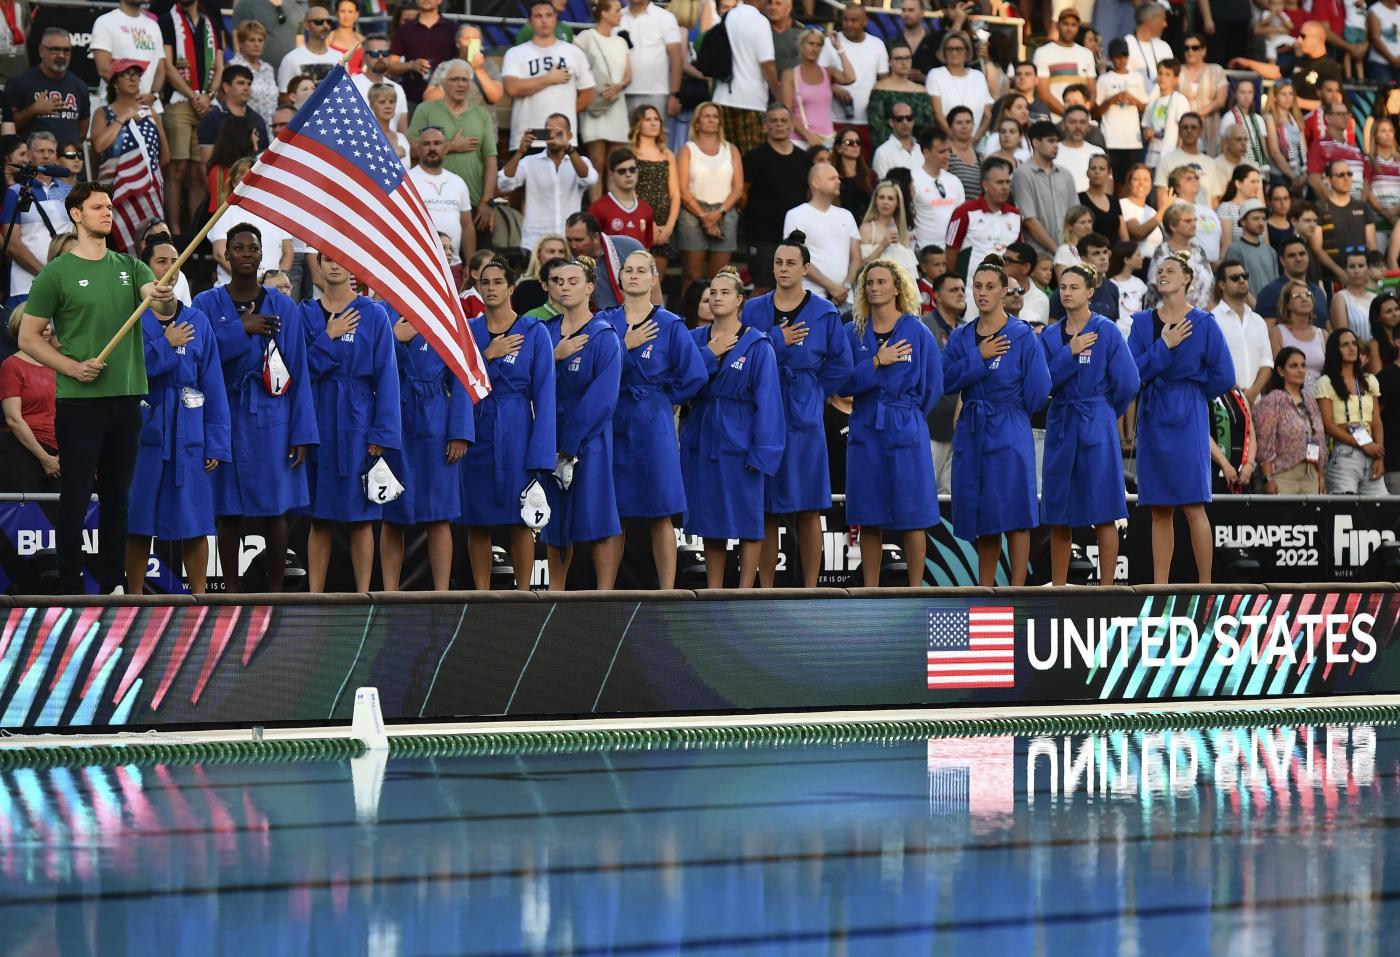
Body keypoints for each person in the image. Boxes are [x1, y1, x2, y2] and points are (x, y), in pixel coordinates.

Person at [17, 182, 177, 594]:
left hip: (126, 399)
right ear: (76, 214)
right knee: (74, 496)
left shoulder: (131, 266)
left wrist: (162, 294)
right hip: (79, 401)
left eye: (109, 206)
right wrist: (71, 366)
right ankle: (71, 584)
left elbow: (156, 302)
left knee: (117, 499)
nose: (107, 212)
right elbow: (29, 338)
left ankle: (111, 585)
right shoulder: (56, 273)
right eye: (97, 207)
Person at [191, 224, 316, 593]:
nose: (246, 253)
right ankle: (231, 592)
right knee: (227, 511)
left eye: (253, 248)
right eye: (239, 248)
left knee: (275, 511)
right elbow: (198, 358)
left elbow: (298, 370)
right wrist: (240, 328)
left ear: (263, 256)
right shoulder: (205, 304)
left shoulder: (283, 307)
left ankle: (275, 592)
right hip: (223, 414)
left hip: (272, 417)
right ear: (226, 255)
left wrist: (302, 433)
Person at [743, 232, 853, 588]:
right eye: (778, 262)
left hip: (804, 415)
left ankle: (810, 588)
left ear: (806, 268)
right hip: (763, 415)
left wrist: (816, 389)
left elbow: (842, 363)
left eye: (791, 263)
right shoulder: (754, 309)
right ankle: (765, 589)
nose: (783, 268)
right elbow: (742, 358)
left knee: (809, 507)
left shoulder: (824, 312)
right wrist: (777, 343)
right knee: (766, 509)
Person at [124, 240, 230, 596]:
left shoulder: (197, 320)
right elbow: (129, 373)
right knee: (139, 520)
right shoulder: (133, 320)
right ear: (146, 269)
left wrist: (215, 441)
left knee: (194, 518)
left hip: (190, 433)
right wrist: (165, 345)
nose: (169, 268)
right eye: (160, 261)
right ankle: (134, 596)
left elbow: (213, 384)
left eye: (175, 261)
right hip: (145, 433)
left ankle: (198, 597)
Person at [599, 249, 706, 587]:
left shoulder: (670, 324)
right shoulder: (605, 322)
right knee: (614, 513)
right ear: (619, 278)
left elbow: (695, 374)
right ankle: (606, 592)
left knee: (661, 510)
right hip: (614, 420)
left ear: (652, 278)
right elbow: (594, 369)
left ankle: (668, 590)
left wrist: (664, 398)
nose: (633, 275)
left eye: (640, 270)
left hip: (654, 423)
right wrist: (623, 345)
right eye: (627, 270)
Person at [1128, 250, 1235, 585]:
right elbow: (1131, 374)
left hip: (1188, 414)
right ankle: (1161, 587)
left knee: (1193, 505)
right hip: (1153, 414)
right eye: (1159, 270)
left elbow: (1225, 375)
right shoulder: (1143, 323)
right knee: (1160, 509)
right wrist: (1164, 346)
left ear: (1187, 278)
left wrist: (1192, 391)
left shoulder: (1204, 323)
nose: (1162, 274)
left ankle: (1205, 585)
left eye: (1170, 270)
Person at [942, 255, 1050, 586]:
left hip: (1010, 426)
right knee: (984, 513)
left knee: (1017, 512)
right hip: (974, 429)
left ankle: (1018, 588)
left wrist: (1013, 414)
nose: (982, 293)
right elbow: (944, 380)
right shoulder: (962, 337)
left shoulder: (1021, 335)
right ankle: (985, 586)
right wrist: (979, 357)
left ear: (1005, 291)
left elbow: (1039, 389)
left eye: (990, 287)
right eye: (977, 286)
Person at [299, 254, 401, 593]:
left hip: (359, 420)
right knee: (320, 517)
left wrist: (381, 433)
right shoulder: (306, 314)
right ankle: (314, 595)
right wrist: (329, 337)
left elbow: (387, 376)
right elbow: (298, 373)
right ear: (318, 265)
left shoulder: (373, 314)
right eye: (327, 258)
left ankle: (362, 594)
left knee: (362, 517)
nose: (335, 265)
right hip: (319, 420)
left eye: (342, 258)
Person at [681, 266, 784, 588]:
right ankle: (713, 591)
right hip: (704, 437)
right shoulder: (694, 340)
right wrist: (707, 356)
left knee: (748, 519)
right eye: (712, 292)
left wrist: (763, 451)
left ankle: (744, 591)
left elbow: (768, 404)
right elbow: (679, 386)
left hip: (741, 440)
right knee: (711, 520)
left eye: (725, 292)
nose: (716, 297)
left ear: (740, 300)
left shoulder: (757, 344)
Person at [839, 259, 940, 587]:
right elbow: (842, 383)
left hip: (905, 424)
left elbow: (933, 386)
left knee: (914, 517)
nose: (874, 288)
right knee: (868, 516)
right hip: (866, 426)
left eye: (881, 282)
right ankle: (870, 588)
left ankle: (915, 590)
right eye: (869, 283)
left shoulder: (918, 331)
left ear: (898, 287)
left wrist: (907, 417)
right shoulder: (852, 332)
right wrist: (876, 362)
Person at [1039, 262, 1138, 587]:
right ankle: (1058, 585)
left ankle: (1107, 586)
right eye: (1062, 288)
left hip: (1096, 421)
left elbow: (1128, 381)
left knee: (1105, 508)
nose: (1066, 293)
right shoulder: (1051, 335)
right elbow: (1043, 384)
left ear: (1090, 292)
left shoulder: (1107, 330)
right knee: (1058, 510)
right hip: (1062, 422)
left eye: (1074, 287)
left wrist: (1105, 413)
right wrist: (1071, 351)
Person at [460, 258, 556, 591]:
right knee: (477, 519)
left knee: (521, 518)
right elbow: (457, 381)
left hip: (517, 429)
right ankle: (481, 593)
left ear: (511, 288)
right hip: (477, 427)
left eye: (498, 282)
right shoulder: (469, 330)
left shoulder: (534, 332)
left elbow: (545, 394)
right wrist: (487, 354)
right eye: (485, 282)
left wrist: (541, 453)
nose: (491, 288)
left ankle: (523, 591)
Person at [538, 258, 623, 589]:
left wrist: (569, 445)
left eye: (573, 281)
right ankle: (554, 595)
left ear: (589, 288)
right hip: (550, 437)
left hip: (589, 441)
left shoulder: (604, 336)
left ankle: (605, 596)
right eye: (559, 280)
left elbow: (602, 399)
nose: (564, 286)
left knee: (598, 518)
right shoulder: (545, 332)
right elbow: (530, 381)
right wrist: (554, 356)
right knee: (556, 521)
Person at [378, 303, 473, 593]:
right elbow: (369, 364)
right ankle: (389, 592)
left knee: (439, 515)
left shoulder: (448, 317)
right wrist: (395, 338)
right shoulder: (382, 313)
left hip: (437, 422)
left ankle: (441, 593)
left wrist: (459, 432)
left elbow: (462, 378)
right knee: (393, 514)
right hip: (396, 418)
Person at [501, 1, 597, 152]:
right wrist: (549, 79)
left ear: (556, 18)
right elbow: (512, 88)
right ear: (530, 21)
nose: (544, 20)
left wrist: (564, 116)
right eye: (538, 16)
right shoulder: (515, 53)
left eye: (548, 15)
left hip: (563, 138)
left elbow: (588, 94)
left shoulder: (573, 52)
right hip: (527, 138)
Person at [497, 115, 599, 254]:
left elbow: (589, 179)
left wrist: (568, 148)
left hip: (567, 244)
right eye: (548, 131)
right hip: (535, 243)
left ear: (569, 135)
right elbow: (504, 185)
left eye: (558, 132)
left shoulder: (580, 161)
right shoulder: (529, 162)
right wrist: (520, 152)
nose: (553, 136)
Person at [741, 105, 811, 297]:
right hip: (763, 236)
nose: (779, 124)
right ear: (766, 126)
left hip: (795, 236)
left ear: (791, 125)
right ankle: (749, 327)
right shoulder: (754, 157)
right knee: (763, 287)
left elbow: (808, 196)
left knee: (792, 288)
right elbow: (742, 194)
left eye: (783, 120)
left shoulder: (804, 159)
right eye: (774, 121)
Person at [676, 102, 743, 293]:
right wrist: (705, 217)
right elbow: (682, 188)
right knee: (692, 277)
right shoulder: (687, 149)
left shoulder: (731, 149)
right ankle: (688, 319)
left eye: (715, 116)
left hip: (725, 211)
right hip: (693, 212)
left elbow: (738, 188)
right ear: (697, 122)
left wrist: (719, 213)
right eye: (707, 116)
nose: (712, 119)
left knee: (720, 279)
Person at [1316, 328, 1388, 493]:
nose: (1351, 348)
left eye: (1354, 343)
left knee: (1379, 513)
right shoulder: (1325, 382)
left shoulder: (1370, 380)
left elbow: (1377, 421)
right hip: (1344, 453)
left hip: (1372, 452)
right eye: (1345, 345)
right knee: (1345, 513)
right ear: (1335, 350)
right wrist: (1362, 444)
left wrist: (1379, 456)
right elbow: (1328, 425)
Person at [575, 0, 632, 204]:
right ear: (605, 13)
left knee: (614, 165)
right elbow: (576, 67)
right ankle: (596, 212)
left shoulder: (621, 42)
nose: (621, 14)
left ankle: (613, 212)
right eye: (617, 11)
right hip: (596, 106)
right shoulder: (586, 37)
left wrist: (619, 86)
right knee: (597, 162)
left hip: (617, 104)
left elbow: (628, 74)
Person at [783, 162, 861, 308]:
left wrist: (845, 287)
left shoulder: (846, 215)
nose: (838, 181)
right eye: (832, 178)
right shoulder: (796, 215)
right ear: (816, 183)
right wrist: (832, 287)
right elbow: (796, 256)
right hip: (810, 298)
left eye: (838, 177)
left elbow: (856, 256)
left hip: (846, 299)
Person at [1255, 347, 1329, 494]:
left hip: (1311, 474)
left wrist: (1321, 476)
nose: (1300, 370)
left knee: (1310, 518)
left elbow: (1320, 439)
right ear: (1281, 371)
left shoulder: (1310, 401)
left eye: (1303, 365)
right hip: (1283, 475)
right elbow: (1264, 442)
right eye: (1293, 366)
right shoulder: (1273, 399)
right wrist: (1267, 479)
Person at [712, 0, 781, 157]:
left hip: (722, 97)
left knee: (726, 157)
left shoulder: (725, 17)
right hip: (752, 101)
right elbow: (767, 63)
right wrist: (777, 92)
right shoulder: (760, 21)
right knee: (752, 158)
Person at [1, 306, 59, 492]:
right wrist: (45, 458)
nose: (46, 328)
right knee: (31, 515)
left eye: (48, 322)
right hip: (25, 450)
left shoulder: (59, 363)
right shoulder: (12, 366)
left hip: (62, 449)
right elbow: (13, 419)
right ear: (21, 326)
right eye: (39, 322)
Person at [945, 157, 1022, 294]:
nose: (1005, 187)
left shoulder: (1016, 215)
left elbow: (1019, 255)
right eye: (999, 182)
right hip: (970, 292)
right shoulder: (963, 212)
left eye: (1007, 182)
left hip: (1005, 293)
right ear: (985, 184)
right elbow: (950, 254)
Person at [3, 29, 89, 145]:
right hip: (32, 159)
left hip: (67, 159)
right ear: (41, 51)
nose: (61, 55)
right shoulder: (19, 83)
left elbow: (82, 132)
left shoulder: (80, 87)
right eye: (55, 49)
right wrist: (33, 110)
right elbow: (7, 127)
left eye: (66, 50)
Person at [1210, 258, 1273, 405]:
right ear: (1222, 284)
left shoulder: (1258, 320)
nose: (1242, 280)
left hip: (1256, 403)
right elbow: (1210, 364)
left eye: (1244, 276)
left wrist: (1252, 393)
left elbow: (1267, 363)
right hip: (1224, 405)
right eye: (1235, 278)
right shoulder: (1212, 320)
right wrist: (1237, 395)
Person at [630, 105, 682, 283]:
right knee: (637, 280)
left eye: (656, 119)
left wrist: (668, 228)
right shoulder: (630, 153)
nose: (653, 123)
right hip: (638, 222)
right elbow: (629, 192)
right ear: (638, 123)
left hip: (664, 224)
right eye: (647, 119)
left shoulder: (667, 154)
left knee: (656, 283)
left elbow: (675, 193)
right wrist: (649, 225)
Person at [1012, 120, 1077, 259]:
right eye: (1051, 141)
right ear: (1035, 142)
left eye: (1057, 142)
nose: (1056, 146)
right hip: (1038, 257)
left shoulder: (1066, 174)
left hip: (1069, 255)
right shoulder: (1022, 174)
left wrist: (1070, 251)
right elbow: (1029, 220)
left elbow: (1076, 217)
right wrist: (1059, 252)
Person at [1314, 159, 1378, 285]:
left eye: (1349, 174)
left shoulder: (1363, 207)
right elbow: (1317, 248)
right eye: (1341, 175)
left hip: (1361, 277)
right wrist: (1339, 272)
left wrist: (1372, 267)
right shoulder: (1319, 208)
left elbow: (1372, 244)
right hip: (1331, 279)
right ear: (1328, 179)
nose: (1346, 178)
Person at [564, 210, 644, 311]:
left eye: (579, 240)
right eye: (569, 240)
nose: (573, 246)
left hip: (631, 318)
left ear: (596, 237)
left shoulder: (629, 248)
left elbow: (653, 288)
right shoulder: (564, 256)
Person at [784, 25, 847, 152]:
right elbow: (787, 112)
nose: (814, 48)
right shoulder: (790, 74)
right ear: (801, 45)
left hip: (828, 138)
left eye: (819, 45)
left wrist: (839, 49)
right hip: (800, 140)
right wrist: (808, 136)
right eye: (811, 44)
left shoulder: (828, 72)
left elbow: (850, 77)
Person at [91, 0, 166, 106]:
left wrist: (153, 94)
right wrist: (131, 95)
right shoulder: (104, 22)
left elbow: (160, 71)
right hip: (116, 107)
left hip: (151, 108)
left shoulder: (154, 26)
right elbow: (104, 70)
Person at [619, 0, 684, 121]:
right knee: (625, 138)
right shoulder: (617, 15)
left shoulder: (665, 17)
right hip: (620, 92)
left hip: (656, 92)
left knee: (657, 137)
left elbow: (676, 58)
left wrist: (675, 95)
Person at [1145, 204, 1215, 313]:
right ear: (1173, 226)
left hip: (1201, 317)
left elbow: (1210, 284)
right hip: (1171, 319)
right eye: (1188, 221)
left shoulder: (1199, 250)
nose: (1193, 224)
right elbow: (1158, 286)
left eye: (1194, 220)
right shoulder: (1163, 251)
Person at [196, 65, 270, 166]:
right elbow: (207, 164)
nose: (246, 88)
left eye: (249, 84)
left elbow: (264, 156)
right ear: (226, 87)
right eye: (241, 83)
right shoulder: (212, 118)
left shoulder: (257, 120)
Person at [927, 29, 992, 144]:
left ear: (967, 52)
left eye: (959, 49)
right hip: (948, 142)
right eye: (950, 49)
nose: (954, 52)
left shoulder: (978, 77)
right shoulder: (935, 74)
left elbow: (987, 114)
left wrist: (975, 139)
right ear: (944, 52)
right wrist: (955, 139)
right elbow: (938, 114)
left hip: (975, 143)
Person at [868, 39, 934, 151]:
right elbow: (877, 127)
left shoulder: (921, 90)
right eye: (898, 59)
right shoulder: (880, 88)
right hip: (887, 150)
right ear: (889, 61)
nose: (904, 62)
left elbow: (929, 126)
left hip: (918, 151)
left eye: (907, 58)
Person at [388, 0, 456, 106]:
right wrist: (411, 65)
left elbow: (462, 61)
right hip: (412, 97)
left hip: (446, 99)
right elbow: (391, 65)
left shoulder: (452, 28)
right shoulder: (404, 30)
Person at [911, 128, 965, 255]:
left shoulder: (954, 181)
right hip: (925, 253)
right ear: (926, 152)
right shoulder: (912, 180)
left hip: (954, 251)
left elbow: (962, 219)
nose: (947, 155)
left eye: (948, 150)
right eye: (941, 151)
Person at [1033, 9, 1095, 117]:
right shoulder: (1042, 52)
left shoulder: (1087, 54)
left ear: (1078, 27)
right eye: (1065, 23)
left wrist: (1083, 113)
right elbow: (1043, 92)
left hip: (1082, 121)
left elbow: (1092, 90)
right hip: (1055, 120)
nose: (1069, 28)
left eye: (1073, 24)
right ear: (1057, 25)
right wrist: (1067, 115)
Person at [1257, 238, 1330, 326]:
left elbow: (1327, 327)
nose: (1298, 259)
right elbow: (1265, 333)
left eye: (1302, 254)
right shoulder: (1269, 292)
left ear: (1308, 257)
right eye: (1292, 255)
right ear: (1282, 260)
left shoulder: (1318, 292)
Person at [858, 181, 918, 289]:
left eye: (890, 198)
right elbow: (859, 268)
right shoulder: (866, 229)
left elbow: (909, 277)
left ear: (898, 203)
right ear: (875, 201)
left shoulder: (903, 232)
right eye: (881, 197)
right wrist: (882, 245)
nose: (885, 202)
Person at [1178, 34, 1227, 152]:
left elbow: (1220, 101)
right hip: (1183, 128)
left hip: (1210, 126)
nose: (1190, 51)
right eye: (1186, 48)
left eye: (1195, 47)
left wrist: (1195, 116)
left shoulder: (1216, 70)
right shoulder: (1177, 71)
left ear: (1203, 50)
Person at [1223, 199, 1278, 301]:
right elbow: (1235, 285)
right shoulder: (1234, 249)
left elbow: (1276, 284)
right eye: (1256, 218)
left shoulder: (1271, 251)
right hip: (1249, 313)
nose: (1261, 222)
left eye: (1263, 218)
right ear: (1243, 221)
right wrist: (1256, 309)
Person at [226, 21, 278, 129]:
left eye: (260, 40)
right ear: (240, 43)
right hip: (245, 127)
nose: (257, 44)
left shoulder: (268, 68)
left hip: (271, 128)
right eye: (252, 40)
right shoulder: (233, 66)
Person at [1142, 58, 1189, 170]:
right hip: (1152, 159)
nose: (1162, 78)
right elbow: (1145, 130)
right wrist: (1147, 133)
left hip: (1171, 160)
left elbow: (1184, 132)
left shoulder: (1179, 100)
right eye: (1160, 73)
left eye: (1168, 74)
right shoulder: (1152, 102)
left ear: (1176, 79)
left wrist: (1178, 156)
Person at [1055, 105, 1105, 194]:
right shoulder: (1052, 152)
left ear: (1088, 126)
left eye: (1082, 122)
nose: (1078, 126)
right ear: (1063, 125)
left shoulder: (1098, 152)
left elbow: (1107, 183)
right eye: (1072, 122)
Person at [1124, 3, 1173, 92]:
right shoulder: (1126, 44)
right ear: (1150, 21)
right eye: (1163, 20)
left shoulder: (1164, 46)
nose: (1165, 24)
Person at [1332, 248, 1378, 339]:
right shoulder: (1340, 298)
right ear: (1345, 270)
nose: (1357, 271)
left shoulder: (1375, 298)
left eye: (1361, 266)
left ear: (1368, 269)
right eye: (1352, 266)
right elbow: (1342, 336)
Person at [871, 102, 920, 179]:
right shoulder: (882, 153)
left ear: (913, 121)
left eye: (909, 118)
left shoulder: (922, 150)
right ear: (891, 122)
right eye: (899, 119)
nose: (905, 122)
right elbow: (882, 187)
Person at [945, 106, 983, 201]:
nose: (964, 126)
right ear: (950, 127)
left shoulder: (980, 158)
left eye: (968, 122)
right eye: (959, 123)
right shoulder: (945, 154)